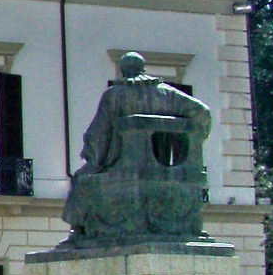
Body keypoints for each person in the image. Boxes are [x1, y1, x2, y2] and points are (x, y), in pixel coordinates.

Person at [63, 51, 210, 242]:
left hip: (120, 166)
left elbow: (100, 132)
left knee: (81, 180)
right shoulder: (166, 93)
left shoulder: (114, 95)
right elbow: (202, 112)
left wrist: (93, 156)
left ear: (122, 71)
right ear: (143, 69)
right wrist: (195, 139)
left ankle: (78, 231)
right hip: (168, 169)